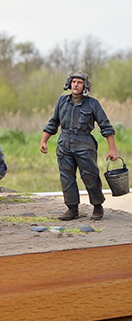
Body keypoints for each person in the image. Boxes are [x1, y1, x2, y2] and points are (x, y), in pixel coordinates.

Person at [40, 72, 118, 221]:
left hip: (84, 143)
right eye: (73, 82)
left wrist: (112, 149)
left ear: (85, 86)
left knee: (90, 176)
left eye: (79, 82)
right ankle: (72, 208)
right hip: (64, 144)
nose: (76, 84)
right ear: (69, 84)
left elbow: (106, 126)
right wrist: (44, 140)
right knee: (66, 177)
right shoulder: (62, 101)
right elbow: (53, 122)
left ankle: (97, 206)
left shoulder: (92, 104)